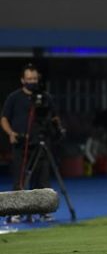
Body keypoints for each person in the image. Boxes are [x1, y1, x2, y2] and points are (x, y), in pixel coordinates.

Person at [0, 64, 61, 223]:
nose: (32, 81)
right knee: (19, 180)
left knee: (43, 179)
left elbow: (54, 117)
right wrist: (11, 133)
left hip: (41, 144)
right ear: (22, 80)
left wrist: (57, 128)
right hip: (21, 144)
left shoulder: (46, 97)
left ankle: (44, 211)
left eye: (34, 78)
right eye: (29, 79)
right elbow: (4, 118)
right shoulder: (14, 97)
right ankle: (16, 212)